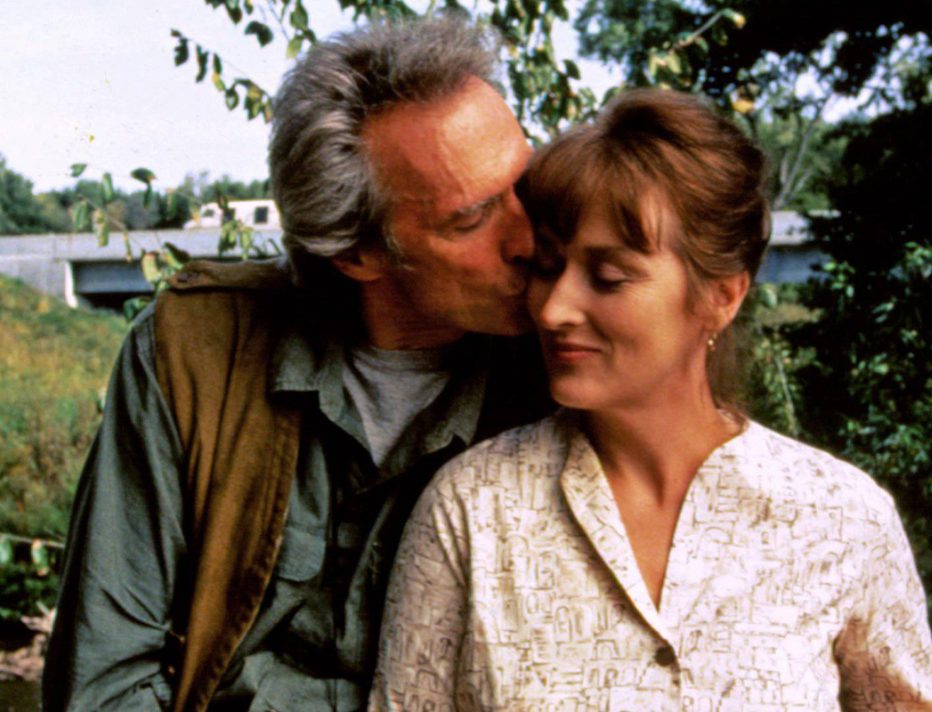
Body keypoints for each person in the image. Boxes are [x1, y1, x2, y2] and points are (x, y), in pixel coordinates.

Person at [370, 89, 932, 710]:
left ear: (722, 297)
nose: (554, 308)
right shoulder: (472, 511)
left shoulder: (840, 517)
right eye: (547, 266)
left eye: (609, 278)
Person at [43, 16, 551, 712]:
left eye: (524, 184)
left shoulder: (567, 375)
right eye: (472, 218)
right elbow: (102, 683)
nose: (529, 239)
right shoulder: (194, 351)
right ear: (356, 254)